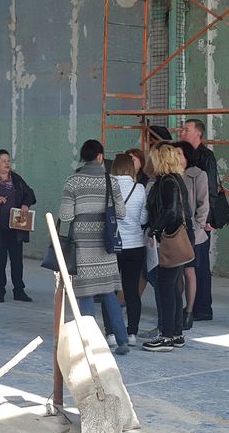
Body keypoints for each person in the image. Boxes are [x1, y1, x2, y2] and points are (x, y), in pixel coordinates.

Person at [58, 139, 129, 355]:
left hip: (83, 246)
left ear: (83, 157)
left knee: (85, 293)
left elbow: (65, 215)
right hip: (106, 245)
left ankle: (90, 344)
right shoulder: (111, 181)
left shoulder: (73, 181)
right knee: (109, 293)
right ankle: (123, 341)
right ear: (100, 157)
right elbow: (121, 213)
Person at [142, 143, 193, 352]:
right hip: (179, 237)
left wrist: (154, 230)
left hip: (170, 239)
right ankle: (177, 333)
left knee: (165, 287)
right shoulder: (176, 179)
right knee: (173, 287)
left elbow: (170, 211)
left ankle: (167, 336)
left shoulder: (167, 181)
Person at [0, 150, 36, 303]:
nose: (7, 163)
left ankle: (19, 291)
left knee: (17, 262)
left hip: (16, 228)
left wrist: (25, 204)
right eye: (3, 161)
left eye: (8, 160)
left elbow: (30, 194)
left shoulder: (16, 179)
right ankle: (0, 291)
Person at [179, 118, 219, 321]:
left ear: (198, 134)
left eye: (186, 129)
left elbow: (210, 190)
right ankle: (190, 305)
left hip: (200, 221)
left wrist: (207, 220)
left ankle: (202, 308)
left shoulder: (206, 157)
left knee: (199, 265)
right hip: (187, 220)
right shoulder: (185, 154)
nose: (181, 132)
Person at [111, 154, 149, 346]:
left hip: (113, 245)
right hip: (135, 245)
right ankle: (132, 333)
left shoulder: (108, 187)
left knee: (110, 291)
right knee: (132, 291)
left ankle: (111, 333)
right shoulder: (139, 188)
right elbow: (143, 219)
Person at [173, 141, 210, 331]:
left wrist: (197, 226)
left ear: (187, 156)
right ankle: (177, 308)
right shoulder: (170, 176)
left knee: (189, 271)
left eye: (179, 153)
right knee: (176, 272)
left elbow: (203, 204)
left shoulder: (198, 175)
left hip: (193, 232)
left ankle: (189, 311)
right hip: (174, 232)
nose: (176, 157)